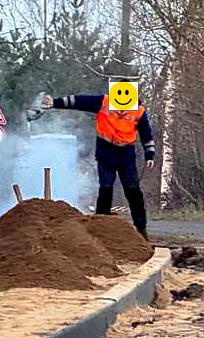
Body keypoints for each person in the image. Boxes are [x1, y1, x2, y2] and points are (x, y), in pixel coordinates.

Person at [42, 91, 155, 238]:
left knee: (133, 192)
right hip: (105, 154)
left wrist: (149, 154)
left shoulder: (138, 110)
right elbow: (80, 101)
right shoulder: (104, 102)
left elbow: (146, 133)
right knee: (105, 190)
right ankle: (101, 227)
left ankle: (141, 228)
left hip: (126, 155)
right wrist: (55, 103)